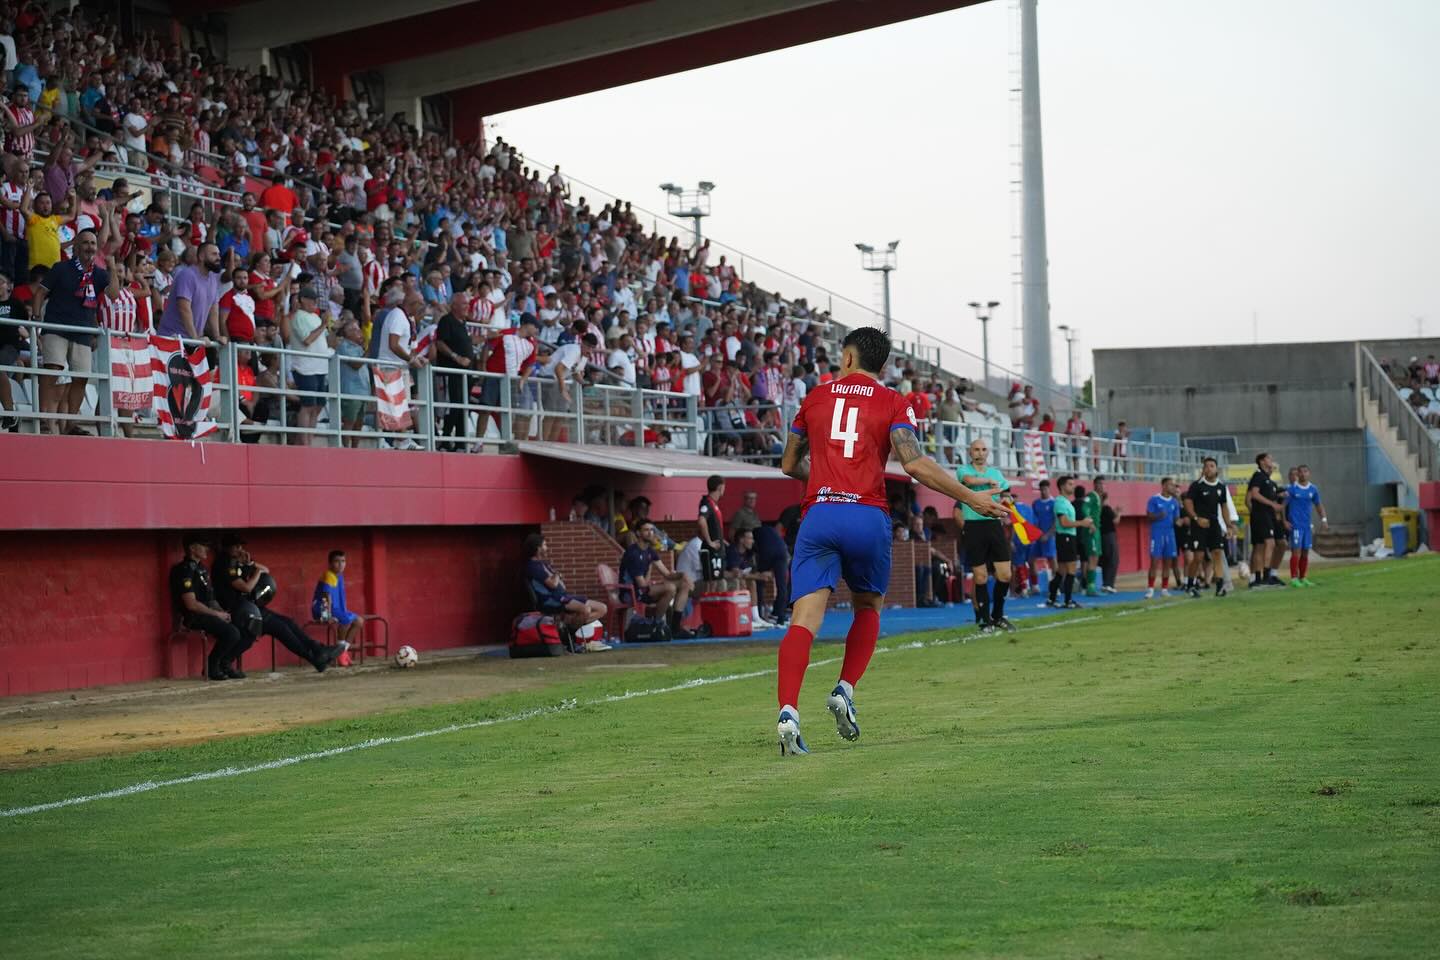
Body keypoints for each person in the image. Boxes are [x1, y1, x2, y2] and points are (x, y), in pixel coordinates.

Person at [774, 326, 1006, 755]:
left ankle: (788, 712)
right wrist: (973, 497)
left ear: (846, 358)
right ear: (881, 366)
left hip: (820, 514)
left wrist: (826, 479)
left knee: (804, 620)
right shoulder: (893, 402)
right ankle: (844, 689)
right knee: (868, 607)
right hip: (867, 515)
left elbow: (789, 464)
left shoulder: (813, 398)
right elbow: (914, 464)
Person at [214, 535, 346, 674]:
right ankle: (315, 657)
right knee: (281, 628)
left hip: (250, 607)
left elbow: (266, 569)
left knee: (289, 622)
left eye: (240, 546)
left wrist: (251, 564)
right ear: (226, 548)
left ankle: (317, 651)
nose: (239, 550)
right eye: (236, 547)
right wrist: (256, 572)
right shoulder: (225, 563)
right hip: (237, 611)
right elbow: (247, 587)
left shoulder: (238, 562)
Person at [31, 228, 116, 434]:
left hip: (83, 331)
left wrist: (112, 269)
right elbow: (41, 292)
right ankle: (43, 418)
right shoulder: (61, 268)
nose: (90, 247)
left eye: (93, 243)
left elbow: (113, 294)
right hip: (57, 327)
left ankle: (70, 423)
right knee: (52, 371)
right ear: (76, 247)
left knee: (81, 378)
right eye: (85, 243)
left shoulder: (99, 273)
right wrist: (36, 320)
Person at [169, 533, 249, 681]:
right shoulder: (184, 570)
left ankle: (225, 664)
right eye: (203, 545)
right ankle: (211, 667)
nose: (207, 549)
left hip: (208, 613)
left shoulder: (202, 569)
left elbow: (210, 599)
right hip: (193, 617)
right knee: (232, 633)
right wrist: (217, 615)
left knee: (244, 627)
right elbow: (191, 604)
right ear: (192, 548)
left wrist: (222, 612)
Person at [956, 436, 1014, 633]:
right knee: (980, 577)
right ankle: (984, 620)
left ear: (987, 452)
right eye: (976, 450)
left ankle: (998, 616)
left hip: (994, 525)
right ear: (970, 453)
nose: (980, 453)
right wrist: (989, 482)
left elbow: (1006, 493)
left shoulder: (996, 472)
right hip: (973, 526)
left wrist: (1007, 500)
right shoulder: (964, 470)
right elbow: (969, 481)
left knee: (1005, 574)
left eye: (983, 450)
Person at [522, 531, 608, 632]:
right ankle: (569, 632)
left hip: (563, 597)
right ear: (538, 548)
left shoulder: (543, 563)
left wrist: (557, 577)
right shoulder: (533, 566)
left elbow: (556, 579)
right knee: (585, 610)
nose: (547, 548)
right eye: (545, 545)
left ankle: (568, 626)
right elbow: (553, 584)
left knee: (602, 608)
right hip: (551, 600)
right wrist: (558, 575)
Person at [621, 522, 694, 635]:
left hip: (643, 589)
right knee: (669, 588)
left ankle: (675, 626)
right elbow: (642, 585)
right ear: (638, 533)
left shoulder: (650, 551)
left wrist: (682, 575)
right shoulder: (633, 553)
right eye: (646, 530)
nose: (650, 533)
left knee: (684, 584)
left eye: (652, 530)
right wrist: (656, 579)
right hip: (630, 592)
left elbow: (667, 574)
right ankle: (656, 624)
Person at [1184, 457, 1237, 598]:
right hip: (1199, 525)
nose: (1208, 468)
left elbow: (1224, 507)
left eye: (1211, 466)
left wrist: (1229, 525)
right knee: (1198, 557)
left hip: (1214, 525)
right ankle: (1190, 584)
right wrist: (1196, 518)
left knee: (1218, 553)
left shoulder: (1221, 487)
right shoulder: (1197, 485)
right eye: (1206, 466)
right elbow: (1188, 503)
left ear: (1216, 469)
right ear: (1203, 469)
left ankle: (1220, 586)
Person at [1046, 475, 1092, 609]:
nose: (1072, 486)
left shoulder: (1066, 502)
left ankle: (1052, 598)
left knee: (1061, 571)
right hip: (1065, 537)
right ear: (1062, 486)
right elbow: (1064, 523)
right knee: (1071, 569)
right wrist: (1082, 523)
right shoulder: (1060, 502)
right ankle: (1068, 600)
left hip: (1067, 537)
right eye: (1070, 484)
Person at [1246, 452, 1286, 588]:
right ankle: (1265, 576)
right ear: (1262, 461)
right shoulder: (1258, 476)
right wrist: (1271, 504)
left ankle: (1261, 577)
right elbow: (1254, 495)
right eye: (1269, 459)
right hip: (1262, 514)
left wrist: (1279, 498)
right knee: (1268, 543)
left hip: (1268, 515)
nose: (1272, 462)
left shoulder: (1268, 480)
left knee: (1263, 545)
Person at [1284, 464, 1328, 587]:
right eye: (1300, 472)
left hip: (1307, 526)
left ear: (1309, 473)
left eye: (1305, 471)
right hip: (1296, 526)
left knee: (1305, 552)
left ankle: (1303, 578)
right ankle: (1294, 578)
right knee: (1296, 552)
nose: (1303, 474)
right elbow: (1282, 506)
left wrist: (1324, 520)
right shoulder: (1292, 489)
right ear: (1297, 474)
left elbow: (1319, 505)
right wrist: (1284, 521)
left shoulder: (1313, 489)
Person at [312, 549, 364, 651]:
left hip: (335, 609)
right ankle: (339, 651)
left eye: (343, 561)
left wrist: (343, 611)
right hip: (322, 609)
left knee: (359, 621)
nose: (341, 564)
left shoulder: (339, 576)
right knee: (345, 620)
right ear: (330, 563)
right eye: (337, 561)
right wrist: (327, 616)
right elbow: (326, 598)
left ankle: (342, 650)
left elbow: (340, 596)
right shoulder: (328, 575)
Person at [725, 527, 778, 627]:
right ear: (741, 539)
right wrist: (759, 576)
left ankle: (756, 617)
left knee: (753, 582)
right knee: (745, 581)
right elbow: (737, 573)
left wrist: (762, 575)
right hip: (728, 580)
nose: (752, 541)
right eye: (749, 538)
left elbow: (749, 572)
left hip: (742, 579)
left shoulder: (749, 554)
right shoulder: (732, 551)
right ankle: (744, 617)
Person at [1144, 477, 1182, 599]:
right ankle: (1150, 589)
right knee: (1154, 562)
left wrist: (1182, 522)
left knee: (1168, 562)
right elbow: (1149, 516)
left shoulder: (1174, 502)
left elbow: (1177, 520)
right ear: (1164, 486)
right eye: (1171, 485)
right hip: (1157, 534)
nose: (1173, 487)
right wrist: (1159, 515)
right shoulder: (1154, 500)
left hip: (1170, 534)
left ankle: (1164, 589)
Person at [1030, 479, 1057, 596]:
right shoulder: (1036, 503)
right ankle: (1035, 586)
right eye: (1041, 489)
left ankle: (1056, 586)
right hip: (1037, 537)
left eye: (1045, 489)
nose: (1043, 491)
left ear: (1049, 489)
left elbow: (1057, 522)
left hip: (1049, 536)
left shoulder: (1054, 503)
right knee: (1031, 559)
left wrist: (1048, 535)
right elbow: (1034, 521)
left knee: (1052, 560)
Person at [697, 474, 726, 582]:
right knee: (713, 581)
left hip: (718, 549)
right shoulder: (707, 503)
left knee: (718, 579)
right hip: (713, 551)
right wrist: (710, 542)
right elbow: (701, 520)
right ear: (720, 487)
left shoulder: (714, 504)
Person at [1081, 477, 1104, 595]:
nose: (1102, 486)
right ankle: (1090, 587)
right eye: (1099, 483)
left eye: (1103, 484)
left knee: (1096, 557)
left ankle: (1092, 585)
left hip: (1097, 530)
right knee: (1092, 557)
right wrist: (1090, 523)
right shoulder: (1091, 495)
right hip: (1091, 530)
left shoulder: (1098, 497)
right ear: (1094, 484)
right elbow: (1084, 508)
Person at [1099, 491, 1121, 593]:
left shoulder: (1098, 510)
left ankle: (1104, 583)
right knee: (1113, 559)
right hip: (1109, 536)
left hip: (1101, 536)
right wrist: (1119, 513)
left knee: (1104, 560)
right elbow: (1115, 521)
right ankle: (1109, 584)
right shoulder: (1107, 508)